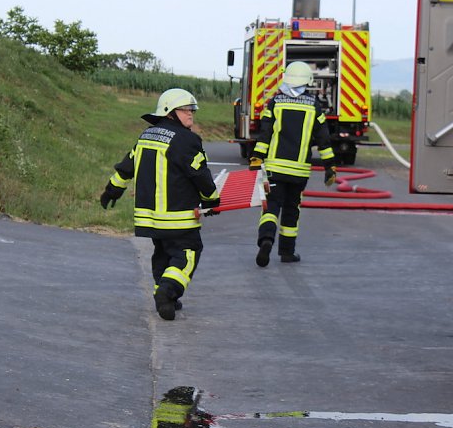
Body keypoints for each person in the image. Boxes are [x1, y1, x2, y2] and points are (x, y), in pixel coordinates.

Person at [99, 88, 219, 320]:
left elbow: (128, 165)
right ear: (170, 112)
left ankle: (164, 298)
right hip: (178, 216)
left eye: (192, 110)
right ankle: (167, 291)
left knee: (163, 254)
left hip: (151, 219)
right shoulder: (187, 140)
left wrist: (112, 189)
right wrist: (211, 199)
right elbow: (199, 174)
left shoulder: (147, 135)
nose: (191, 115)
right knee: (188, 252)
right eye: (186, 111)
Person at [248, 61, 337, 267]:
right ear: (308, 81)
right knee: (291, 209)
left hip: (275, 169)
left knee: (271, 206)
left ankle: (266, 240)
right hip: (299, 172)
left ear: (286, 78)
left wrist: (256, 158)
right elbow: (324, 140)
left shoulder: (275, 103)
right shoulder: (314, 106)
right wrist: (329, 166)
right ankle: (287, 252)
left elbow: (265, 134)